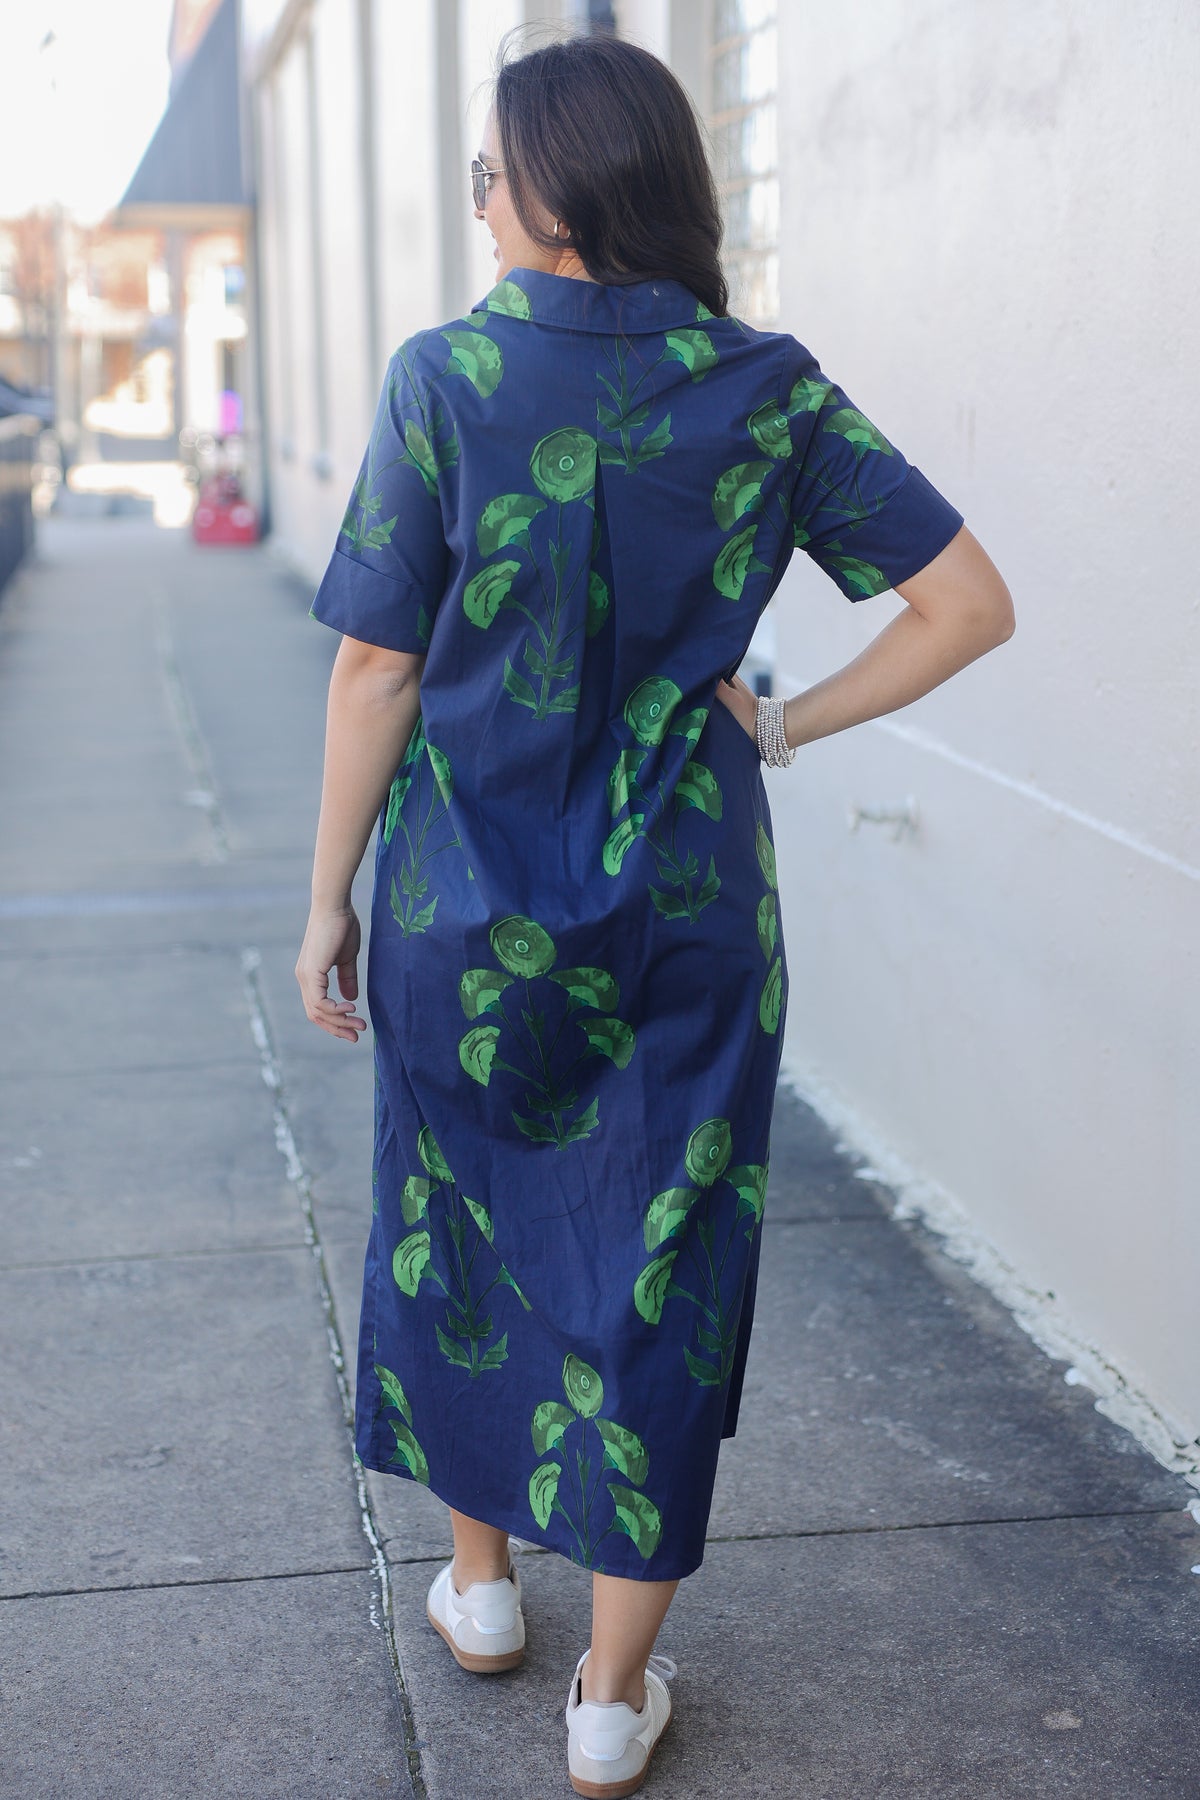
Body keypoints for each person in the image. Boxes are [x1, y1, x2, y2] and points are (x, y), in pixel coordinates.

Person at [295, 29, 1014, 1798]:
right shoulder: (763, 386)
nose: (479, 200)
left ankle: (478, 1590)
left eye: (486, 174)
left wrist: (328, 894)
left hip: (463, 907)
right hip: (684, 915)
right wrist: (779, 718)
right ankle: (610, 1700)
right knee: (662, 1260)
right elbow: (967, 604)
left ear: (550, 193)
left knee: (461, 1224)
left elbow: (380, 661)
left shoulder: (445, 380)